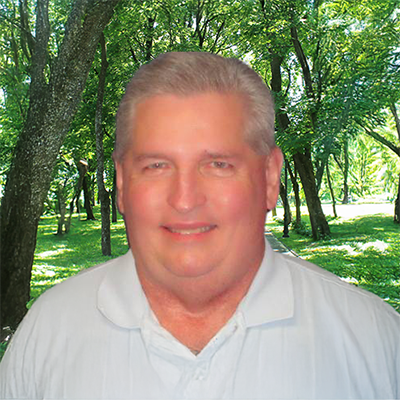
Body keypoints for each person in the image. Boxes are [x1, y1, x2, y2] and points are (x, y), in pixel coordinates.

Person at [0, 52, 399, 400]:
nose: (185, 199)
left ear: (269, 178)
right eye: (156, 165)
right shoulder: (48, 332)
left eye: (218, 164)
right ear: (121, 184)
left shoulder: (374, 341)